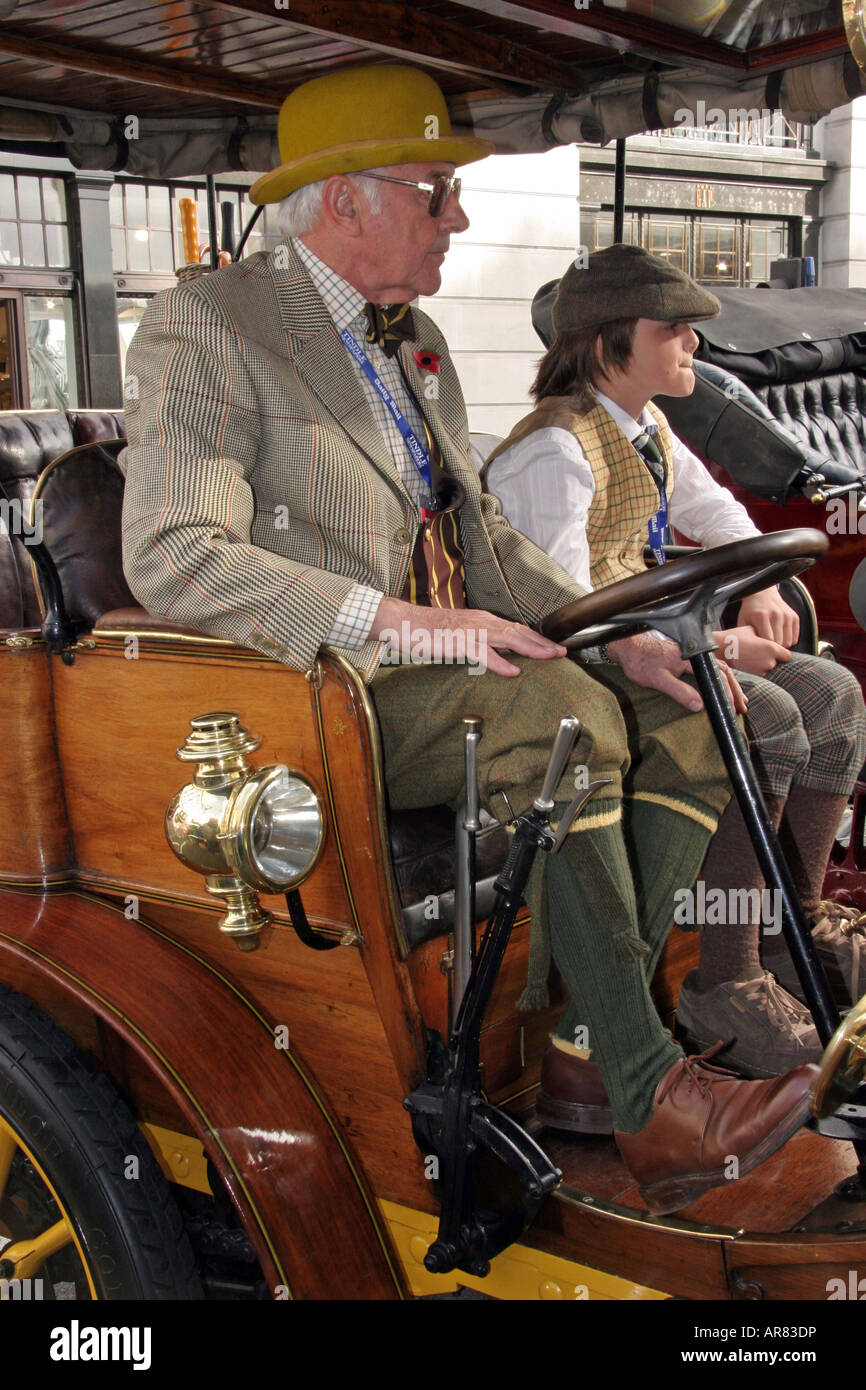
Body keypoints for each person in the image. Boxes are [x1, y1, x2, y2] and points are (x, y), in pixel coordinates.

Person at [119, 64, 818, 1216]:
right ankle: (651, 1100)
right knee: (559, 720)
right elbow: (178, 552)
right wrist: (407, 625)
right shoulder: (210, 322)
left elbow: (484, 540)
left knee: (693, 706)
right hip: (317, 687)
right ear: (343, 200)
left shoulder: (414, 339)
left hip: (440, 665)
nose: (461, 217)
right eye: (436, 191)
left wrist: (623, 635)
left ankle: (592, 1042)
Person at [484, 244, 866, 1117]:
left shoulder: (649, 428)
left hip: (646, 642)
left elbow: (720, 519)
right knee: (764, 714)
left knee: (833, 698)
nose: (692, 345)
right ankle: (723, 979)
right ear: (610, 342)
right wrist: (718, 650)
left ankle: (787, 927)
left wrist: (760, 583)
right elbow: (572, 613)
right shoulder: (554, 451)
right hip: (576, 673)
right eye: (674, 330)